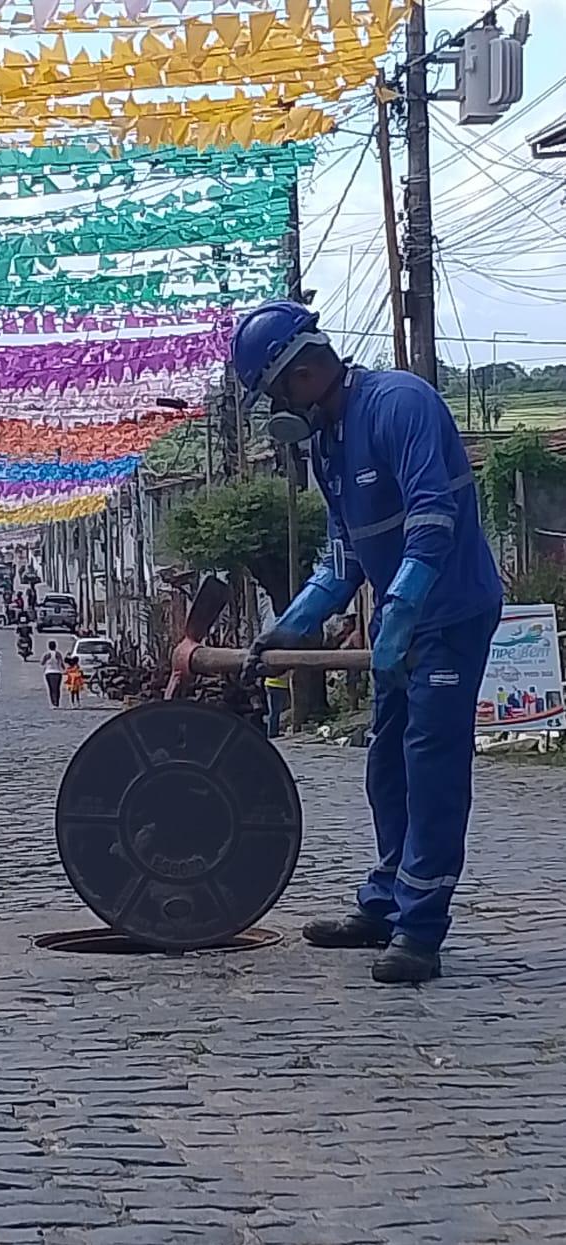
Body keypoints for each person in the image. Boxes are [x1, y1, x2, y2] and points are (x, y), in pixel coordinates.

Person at [233, 300, 502, 985]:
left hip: (450, 611)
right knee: (386, 761)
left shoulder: (399, 404)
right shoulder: (328, 442)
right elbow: (342, 558)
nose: (276, 414)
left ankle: (420, 929)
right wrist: (289, 626)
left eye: (272, 395)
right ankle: (383, 901)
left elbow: (433, 520)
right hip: (399, 623)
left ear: (299, 373)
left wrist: (405, 607)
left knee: (430, 764)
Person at [41, 640, 64, 708]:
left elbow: (42, 663)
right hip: (58, 672)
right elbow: (62, 664)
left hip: (48, 672)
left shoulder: (46, 654)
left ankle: (53, 703)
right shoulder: (58, 654)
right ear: (55, 646)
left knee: (51, 688)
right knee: (57, 688)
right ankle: (57, 702)